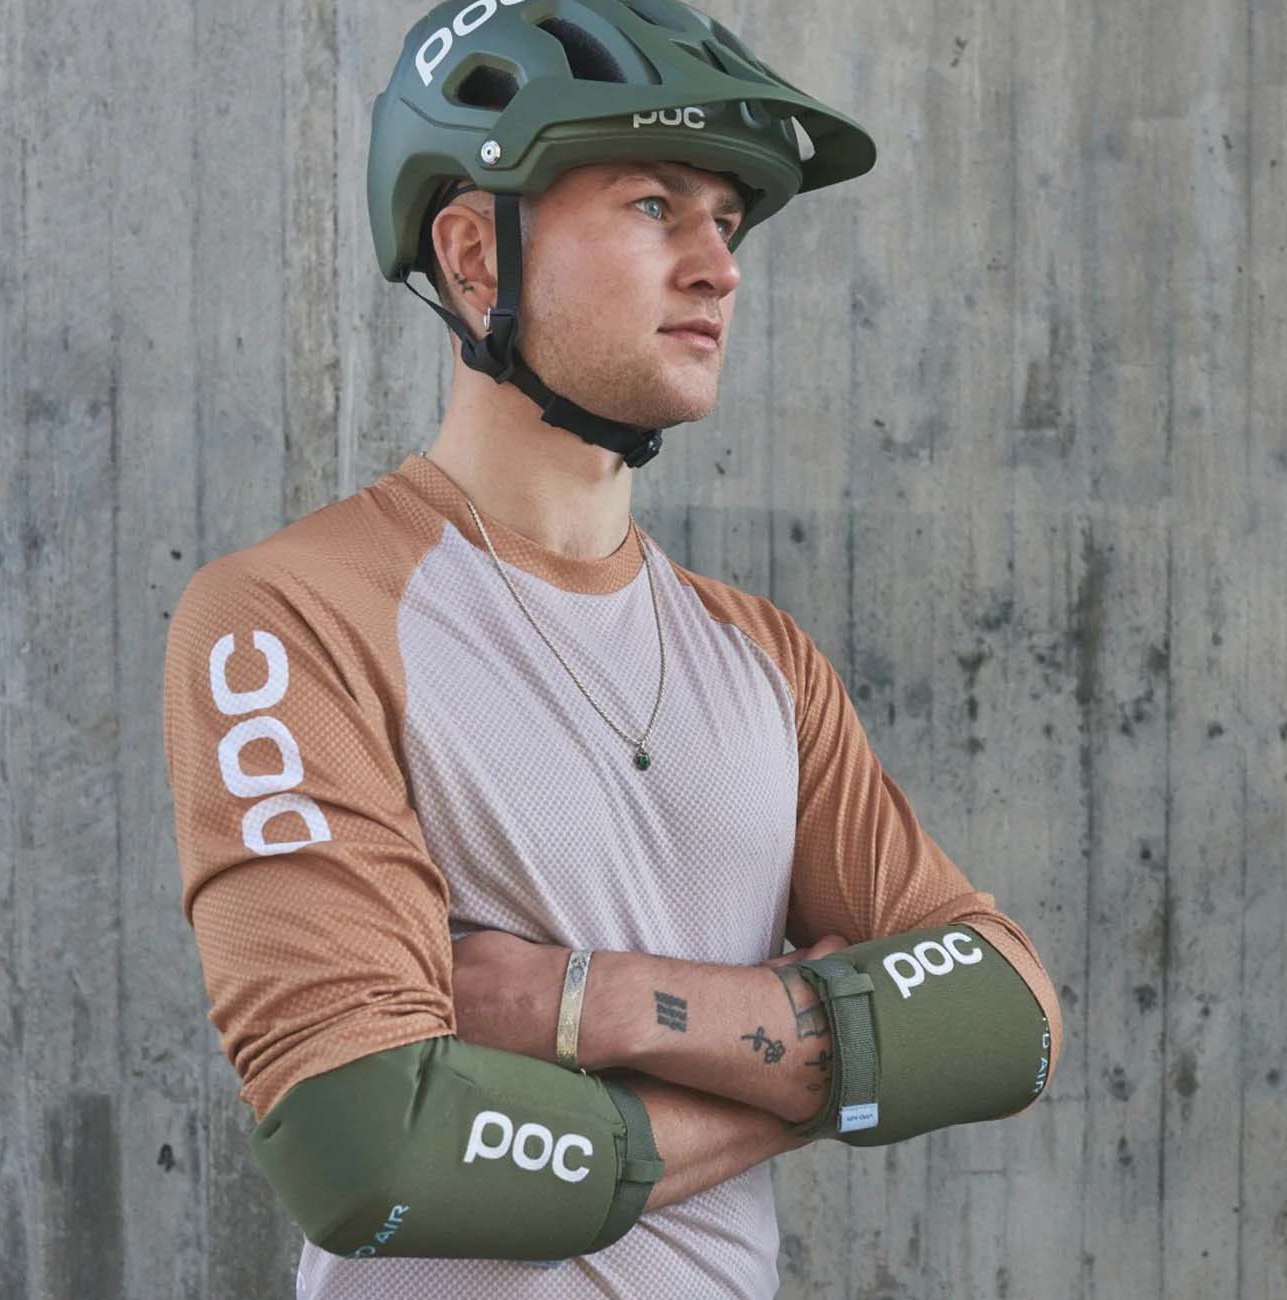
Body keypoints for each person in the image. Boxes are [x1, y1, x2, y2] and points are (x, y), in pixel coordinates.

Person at [161, 2, 1063, 1297]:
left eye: (728, 223)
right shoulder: (289, 615)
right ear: (475, 253)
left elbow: (1003, 1019)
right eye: (654, 206)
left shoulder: (763, 656)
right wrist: (824, 1062)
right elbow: (372, 1154)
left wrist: (589, 1004)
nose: (719, 268)